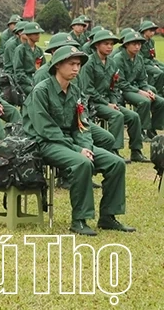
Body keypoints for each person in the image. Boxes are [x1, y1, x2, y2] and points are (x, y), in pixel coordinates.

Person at [24, 45, 132, 236]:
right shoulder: (41, 90)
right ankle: (79, 220)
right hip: (46, 143)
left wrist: (85, 146)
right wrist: (77, 149)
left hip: (71, 143)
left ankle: (108, 216)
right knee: (82, 163)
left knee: (116, 163)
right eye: (71, 64)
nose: (76, 69)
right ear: (57, 65)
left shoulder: (75, 90)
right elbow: (45, 129)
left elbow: (82, 125)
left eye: (78, 65)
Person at [81, 30, 145, 162]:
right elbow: (88, 90)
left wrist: (114, 102)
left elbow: (114, 86)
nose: (109, 47)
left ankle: (136, 150)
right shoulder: (89, 63)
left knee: (133, 116)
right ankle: (114, 150)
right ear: (97, 45)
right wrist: (107, 104)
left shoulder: (111, 63)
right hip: (93, 103)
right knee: (117, 115)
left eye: (111, 44)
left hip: (108, 101)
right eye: (106, 44)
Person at [113, 31, 164, 140]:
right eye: (134, 44)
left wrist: (146, 89)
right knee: (144, 101)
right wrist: (140, 92)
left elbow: (142, 79)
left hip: (135, 87)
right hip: (123, 90)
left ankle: (152, 129)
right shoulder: (119, 58)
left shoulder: (139, 58)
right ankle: (140, 131)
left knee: (160, 101)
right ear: (126, 45)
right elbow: (120, 83)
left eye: (139, 44)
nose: (137, 47)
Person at [12, 22, 45, 97]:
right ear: (28, 35)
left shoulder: (39, 50)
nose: (38, 36)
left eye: (39, 33)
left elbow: (43, 68)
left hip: (37, 80)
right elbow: (18, 72)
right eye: (35, 34)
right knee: (38, 93)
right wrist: (31, 82)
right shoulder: (20, 50)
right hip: (24, 83)